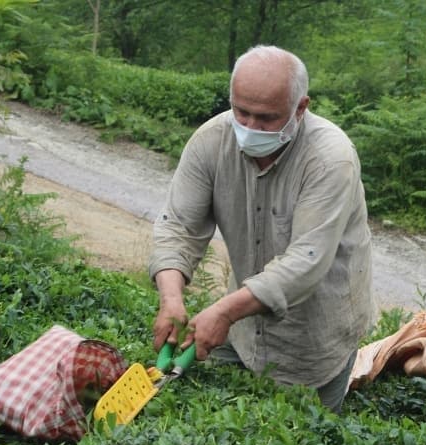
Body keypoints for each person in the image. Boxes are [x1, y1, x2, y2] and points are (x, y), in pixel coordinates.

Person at [148, 45, 375, 413]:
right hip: (241, 331)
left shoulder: (331, 158)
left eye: (267, 118)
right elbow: (178, 227)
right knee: (221, 430)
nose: (250, 128)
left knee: (300, 443)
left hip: (315, 341)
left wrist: (222, 312)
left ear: (300, 107)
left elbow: (305, 261)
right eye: (241, 112)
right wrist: (171, 299)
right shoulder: (211, 140)